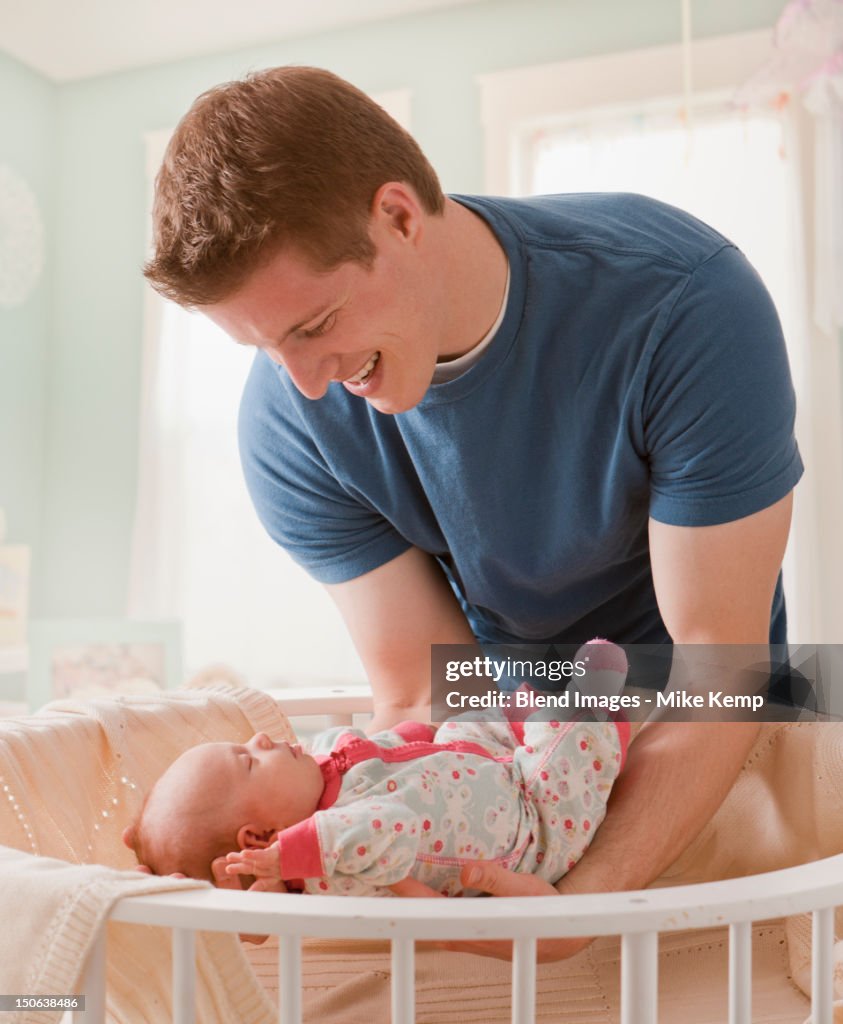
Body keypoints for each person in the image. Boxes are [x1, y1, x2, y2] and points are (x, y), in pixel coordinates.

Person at [141, 66, 802, 959]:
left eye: (313, 324)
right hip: (507, 735)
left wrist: (585, 904)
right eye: (261, 347)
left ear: (400, 217)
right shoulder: (285, 424)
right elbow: (422, 688)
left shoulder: (684, 305)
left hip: (698, 713)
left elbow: (723, 672)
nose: (303, 382)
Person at [122, 642, 635, 896]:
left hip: (480, 763)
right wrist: (291, 860)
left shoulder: (314, 774)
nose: (258, 738)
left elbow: (375, 745)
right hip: (532, 829)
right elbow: (391, 826)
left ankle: (531, 726)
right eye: (248, 760)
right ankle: (585, 713)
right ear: (262, 837)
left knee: (463, 719)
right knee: (567, 748)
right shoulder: (338, 861)